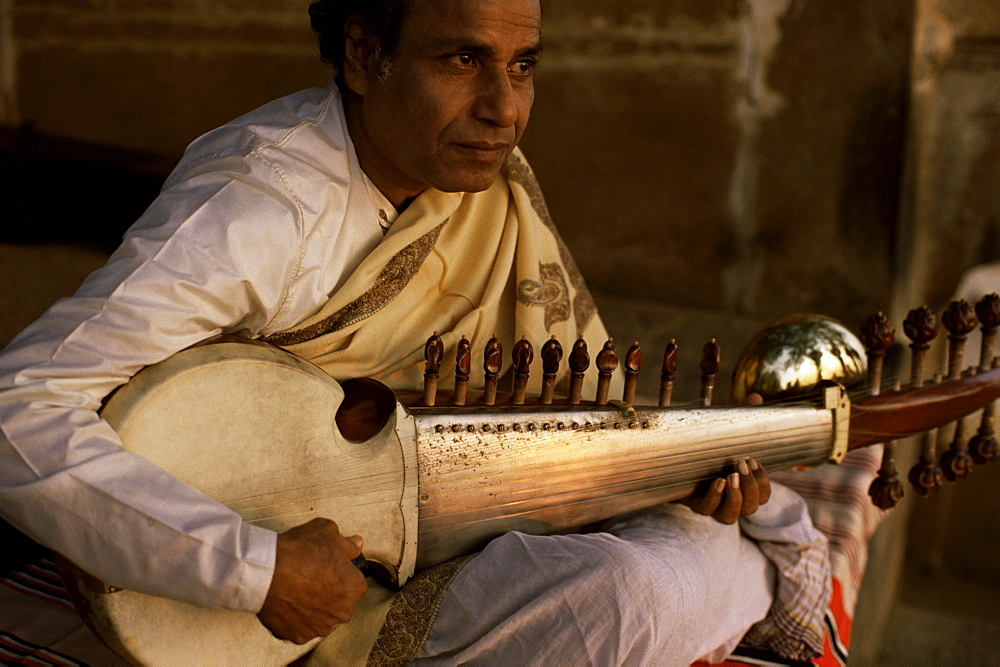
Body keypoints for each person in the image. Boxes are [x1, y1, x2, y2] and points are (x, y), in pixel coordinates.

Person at [0, 0, 831, 664]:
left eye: (523, 66)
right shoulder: (257, 209)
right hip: (315, 585)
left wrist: (664, 473)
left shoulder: (480, 186)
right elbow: (18, 409)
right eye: (462, 59)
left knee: (717, 533)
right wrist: (254, 568)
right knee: (632, 596)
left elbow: (571, 408)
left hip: (457, 519)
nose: (504, 109)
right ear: (364, 55)